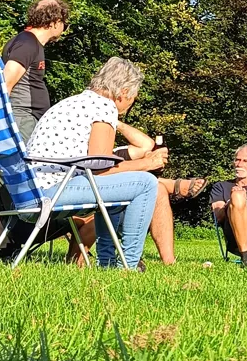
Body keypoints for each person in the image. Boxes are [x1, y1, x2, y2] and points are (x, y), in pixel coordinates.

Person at [25, 57, 159, 270]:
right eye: (133, 96)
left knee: (121, 188)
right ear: (123, 91)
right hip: (53, 190)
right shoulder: (104, 106)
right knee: (146, 183)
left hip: (31, 188)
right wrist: (146, 164)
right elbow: (101, 167)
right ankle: (129, 265)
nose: (132, 102)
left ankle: (107, 261)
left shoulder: (74, 102)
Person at [111, 124, 207, 264]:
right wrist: (148, 163)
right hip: (98, 207)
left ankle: (169, 261)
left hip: (125, 207)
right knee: (153, 185)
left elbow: (147, 144)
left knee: (158, 189)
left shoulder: (113, 153)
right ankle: (173, 186)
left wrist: (114, 120)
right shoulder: (84, 152)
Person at [2, 0, 70, 143]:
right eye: (65, 23)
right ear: (56, 21)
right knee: (23, 165)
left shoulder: (28, 41)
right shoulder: (28, 43)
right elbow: (6, 82)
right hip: (22, 118)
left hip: (26, 119)